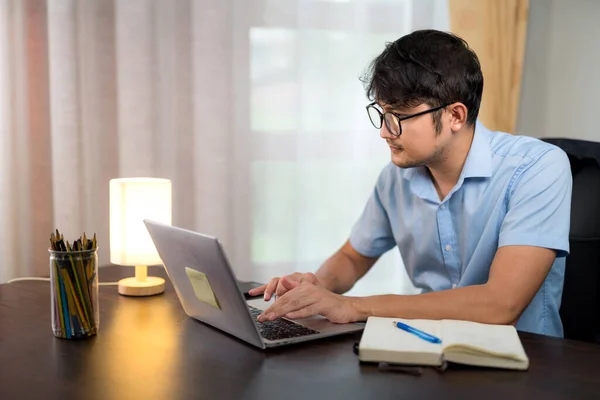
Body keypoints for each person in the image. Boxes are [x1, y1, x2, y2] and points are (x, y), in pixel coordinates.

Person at [249, 29, 572, 337]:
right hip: (428, 345)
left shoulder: (537, 167)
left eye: (399, 117)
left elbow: (501, 305)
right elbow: (353, 257)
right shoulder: (396, 177)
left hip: (526, 359)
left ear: (455, 116)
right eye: (382, 113)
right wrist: (316, 286)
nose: (385, 132)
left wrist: (351, 306)